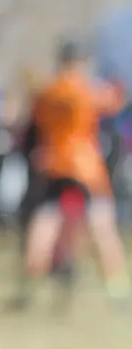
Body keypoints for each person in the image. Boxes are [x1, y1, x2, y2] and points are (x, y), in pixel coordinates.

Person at [21, 39, 130, 306]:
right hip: (85, 166)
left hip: (53, 163)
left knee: (45, 225)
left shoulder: (47, 90)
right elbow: (114, 101)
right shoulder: (84, 89)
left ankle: (30, 287)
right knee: (102, 228)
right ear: (82, 62)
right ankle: (118, 289)